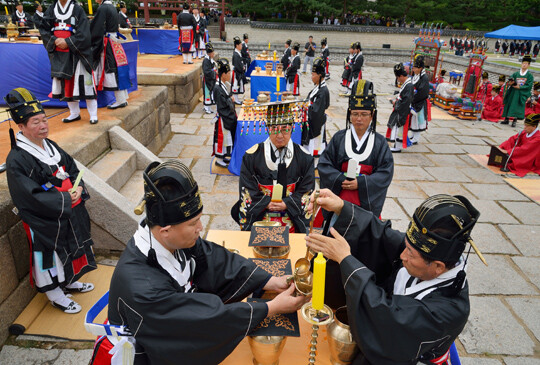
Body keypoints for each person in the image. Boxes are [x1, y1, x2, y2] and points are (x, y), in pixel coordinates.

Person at [94, 160, 308, 364]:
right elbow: (202, 321)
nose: (200, 228)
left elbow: (214, 258)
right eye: (193, 223)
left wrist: (266, 280)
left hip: (171, 322)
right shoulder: (142, 287)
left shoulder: (166, 239)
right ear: (166, 231)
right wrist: (270, 308)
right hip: (148, 351)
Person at [305, 189, 480, 364]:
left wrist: (345, 260)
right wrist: (342, 208)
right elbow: (383, 237)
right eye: (406, 247)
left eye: (410, 253)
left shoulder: (449, 311)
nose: (402, 255)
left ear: (438, 267)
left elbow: (388, 318)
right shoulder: (424, 255)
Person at [4, 88, 96, 314]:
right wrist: (64, 198)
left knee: (71, 246)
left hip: (65, 210)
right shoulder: (17, 159)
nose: (43, 126)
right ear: (22, 127)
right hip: (42, 218)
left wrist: (78, 186)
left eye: (44, 120)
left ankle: (69, 281)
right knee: (48, 256)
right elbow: (28, 195)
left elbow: (71, 168)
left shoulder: (51, 145)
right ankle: (55, 295)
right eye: (35, 122)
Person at [232, 103, 315, 233]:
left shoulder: (305, 158)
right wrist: (266, 203)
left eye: (284, 128)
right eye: (274, 128)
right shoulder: (251, 157)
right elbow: (247, 189)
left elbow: (307, 189)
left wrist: (287, 203)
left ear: (292, 127)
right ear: (267, 128)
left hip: (292, 220)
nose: (280, 135)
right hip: (260, 219)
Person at [318, 79, 393, 221]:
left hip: (366, 201)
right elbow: (324, 165)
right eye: (355, 114)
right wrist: (341, 179)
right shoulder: (339, 138)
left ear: (372, 116)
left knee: (364, 235)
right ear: (349, 115)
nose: (359, 119)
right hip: (339, 197)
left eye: (364, 114)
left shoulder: (380, 142)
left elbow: (385, 173)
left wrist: (361, 183)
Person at [38, 0, 98, 124]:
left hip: (77, 53)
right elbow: (44, 29)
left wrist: (68, 42)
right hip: (59, 52)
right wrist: (54, 40)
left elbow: (85, 33)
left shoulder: (78, 10)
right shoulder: (51, 9)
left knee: (86, 84)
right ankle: (74, 113)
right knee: (66, 85)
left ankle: (93, 114)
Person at [90, 0, 130, 111]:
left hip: (108, 42)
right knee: (119, 69)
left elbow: (96, 27)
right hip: (114, 41)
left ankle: (120, 100)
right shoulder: (112, 7)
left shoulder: (103, 8)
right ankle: (123, 98)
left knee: (111, 69)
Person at [302, 58, 330, 156]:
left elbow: (316, 112)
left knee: (315, 146)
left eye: (313, 75)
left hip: (316, 123)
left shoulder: (322, 91)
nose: (311, 77)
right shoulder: (318, 88)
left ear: (320, 76)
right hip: (313, 120)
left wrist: (307, 107)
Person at [213, 58, 237, 167]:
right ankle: (219, 159)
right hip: (223, 117)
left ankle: (223, 156)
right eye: (228, 73)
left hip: (226, 115)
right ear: (223, 74)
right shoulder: (218, 88)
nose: (230, 75)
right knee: (222, 138)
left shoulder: (223, 85)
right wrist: (230, 100)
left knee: (227, 139)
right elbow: (223, 105)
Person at [502, 55, 534, 127]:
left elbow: (529, 85)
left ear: (529, 65)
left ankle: (514, 120)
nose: (524, 65)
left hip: (521, 93)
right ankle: (506, 119)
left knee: (517, 106)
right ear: (521, 64)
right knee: (509, 103)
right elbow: (510, 78)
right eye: (523, 63)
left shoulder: (529, 75)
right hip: (513, 92)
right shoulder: (516, 73)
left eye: (526, 64)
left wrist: (520, 87)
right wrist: (511, 82)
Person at [387, 63, 413, 153]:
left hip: (403, 111)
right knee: (397, 128)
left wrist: (396, 103)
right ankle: (396, 145)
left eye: (398, 78)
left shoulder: (409, 86)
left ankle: (397, 146)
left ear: (401, 76)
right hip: (400, 108)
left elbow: (406, 101)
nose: (398, 80)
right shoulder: (406, 84)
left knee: (399, 129)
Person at [409, 55, 430, 144]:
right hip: (414, 101)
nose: (413, 69)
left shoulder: (424, 78)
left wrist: (413, 99)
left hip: (419, 102)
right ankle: (413, 135)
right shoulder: (416, 75)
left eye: (415, 68)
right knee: (414, 120)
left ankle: (416, 138)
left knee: (418, 121)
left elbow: (423, 92)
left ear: (420, 68)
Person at [202, 42, 217, 114]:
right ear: (209, 54)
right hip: (207, 80)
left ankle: (209, 107)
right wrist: (214, 72)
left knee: (210, 93)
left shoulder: (210, 60)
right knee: (207, 93)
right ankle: (206, 107)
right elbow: (206, 71)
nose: (213, 54)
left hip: (211, 79)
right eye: (212, 53)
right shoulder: (206, 61)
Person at [231, 36, 245, 104]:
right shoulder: (236, 54)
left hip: (238, 71)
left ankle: (236, 99)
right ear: (237, 45)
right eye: (240, 44)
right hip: (237, 72)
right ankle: (235, 99)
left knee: (237, 85)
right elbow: (237, 64)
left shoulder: (238, 53)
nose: (241, 45)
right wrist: (242, 68)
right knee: (236, 85)